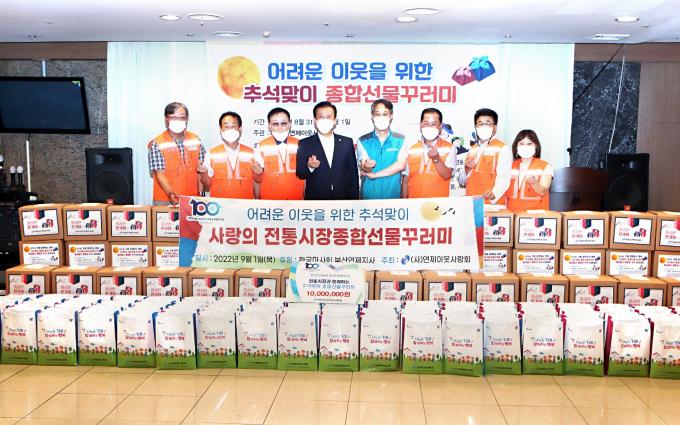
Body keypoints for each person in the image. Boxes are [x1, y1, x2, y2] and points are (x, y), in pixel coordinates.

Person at [363, 108, 455, 198]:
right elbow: (405, 180)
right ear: (421, 125)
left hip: (438, 204)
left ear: (440, 127)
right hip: (413, 203)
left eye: (433, 124)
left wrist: (436, 159)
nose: (429, 127)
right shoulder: (411, 149)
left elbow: (447, 175)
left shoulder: (449, 148)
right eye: (426, 123)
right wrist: (404, 203)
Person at [295, 101, 359, 200]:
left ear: (335, 120)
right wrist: (310, 166)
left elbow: (353, 174)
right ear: (315, 120)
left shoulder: (346, 142)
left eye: (328, 117)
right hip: (316, 199)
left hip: (343, 198)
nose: (325, 120)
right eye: (321, 117)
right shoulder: (305, 143)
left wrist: (354, 199)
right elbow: (300, 174)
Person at [147, 102, 206, 205]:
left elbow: (201, 170)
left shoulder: (196, 140)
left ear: (187, 119)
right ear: (166, 119)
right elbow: (159, 174)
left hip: (192, 200)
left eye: (182, 117)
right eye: (173, 118)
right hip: (165, 200)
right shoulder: (157, 143)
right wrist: (170, 193)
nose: (178, 121)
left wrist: (201, 194)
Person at [201, 111, 262, 199]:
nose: (230, 130)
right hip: (219, 205)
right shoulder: (211, 154)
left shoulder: (252, 153)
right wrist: (203, 173)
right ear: (221, 130)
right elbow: (206, 186)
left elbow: (257, 182)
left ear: (240, 129)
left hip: (245, 204)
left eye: (233, 126)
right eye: (226, 127)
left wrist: (258, 174)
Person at [357, 99, 407, 199]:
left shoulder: (400, 140)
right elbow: (364, 166)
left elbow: (401, 165)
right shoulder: (363, 140)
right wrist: (367, 166)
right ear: (372, 116)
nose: (381, 117)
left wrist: (375, 174)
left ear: (391, 116)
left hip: (392, 196)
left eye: (385, 114)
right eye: (377, 114)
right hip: (369, 196)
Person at [253, 107, 305, 200]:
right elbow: (257, 180)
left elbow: (306, 178)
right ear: (269, 125)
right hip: (270, 201)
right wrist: (258, 173)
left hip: (296, 200)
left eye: (283, 123)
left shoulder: (300, 144)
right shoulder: (260, 147)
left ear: (290, 124)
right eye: (275, 124)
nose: (280, 128)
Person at [464, 108, 512, 205]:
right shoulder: (473, 148)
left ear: (495, 127)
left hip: (491, 203)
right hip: (472, 200)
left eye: (488, 123)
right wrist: (467, 168)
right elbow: (465, 179)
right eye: (480, 124)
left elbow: (504, 178)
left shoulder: (502, 148)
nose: (484, 127)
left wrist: (493, 195)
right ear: (476, 127)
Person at [503, 129, 553, 211]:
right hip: (511, 213)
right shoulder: (509, 166)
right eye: (521, 143)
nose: (525, 146)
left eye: (529, 143)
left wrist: (534, 183)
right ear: (516, 146)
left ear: (536, 146)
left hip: (535, 215)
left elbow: (542, 191)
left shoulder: (545, 166)